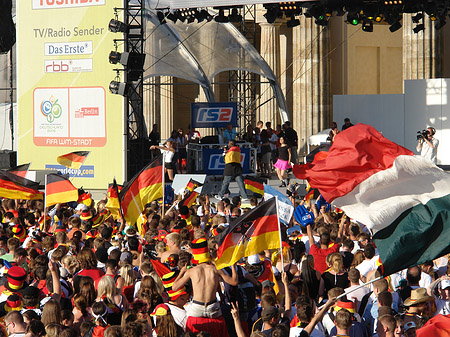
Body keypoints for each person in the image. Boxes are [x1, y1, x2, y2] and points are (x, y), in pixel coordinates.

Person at [172, 238, 232, 336]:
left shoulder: (191, 271)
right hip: (213, 307)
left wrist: (182, 272)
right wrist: (233, 266)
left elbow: (174, 287)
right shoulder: (214, 269)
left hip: (197, 307)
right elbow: (232, 282)